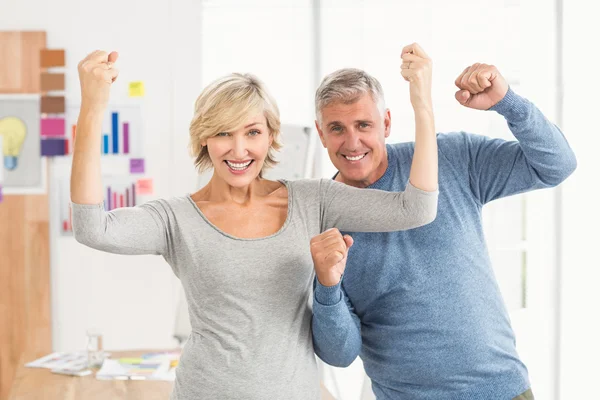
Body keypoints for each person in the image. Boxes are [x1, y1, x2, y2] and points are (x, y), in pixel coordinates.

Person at [70, 49, 439, 400]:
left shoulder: (314, 199)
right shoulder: (174, 219)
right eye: (223, 133)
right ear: (204, 138)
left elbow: (415, 209)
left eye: (252, 132)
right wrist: (93, 107)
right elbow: (92, 227)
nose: (239, 150)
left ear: (271, 136)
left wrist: (422, 103)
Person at [310, 42, 577, 400]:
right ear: (321, 133)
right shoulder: (321, 222)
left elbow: (557, 165)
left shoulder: (451, 157)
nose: (352, 141)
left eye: (363, 124)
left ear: (386, 123)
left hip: (503, 390)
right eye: (337, 128)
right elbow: (340, 354)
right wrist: (327, 287)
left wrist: (507, 102)